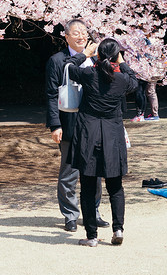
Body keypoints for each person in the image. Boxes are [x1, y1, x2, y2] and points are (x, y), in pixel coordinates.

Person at [65, 38, 137, 246]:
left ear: (98, 55)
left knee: (87, 186)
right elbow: (133, 79)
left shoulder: (88, 74)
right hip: (113, 134)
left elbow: (69, 67)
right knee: (115, 186)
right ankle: (118, 229)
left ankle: (92, 236)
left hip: (89, 133)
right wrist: (121, 62)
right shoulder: (121, 79)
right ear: (116, 56)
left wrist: (84, 55)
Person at [45, 18, 105, 233]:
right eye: (76, 32)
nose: (81, 36)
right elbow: (52, 95)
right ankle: (70, 215)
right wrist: (54, 125)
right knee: (69, 172)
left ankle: (93, 212)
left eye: (84, 31)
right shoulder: (57, 60)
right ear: (66, 36)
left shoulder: (98, 59)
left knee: (95, 171)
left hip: (95, 123)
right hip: (69, 122)